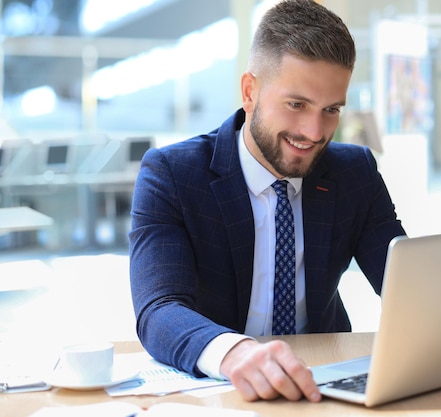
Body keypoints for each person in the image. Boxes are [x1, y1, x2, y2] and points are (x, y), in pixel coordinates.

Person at [129, 0, 405, 403]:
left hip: (323, 385)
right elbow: (159, 309)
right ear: (250, 91)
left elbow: (404, 285)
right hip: (220, 388)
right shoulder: (173, 174)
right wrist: (235, 352)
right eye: (297, 104)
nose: (313, 132)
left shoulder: (353, 172)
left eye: (331, 110)